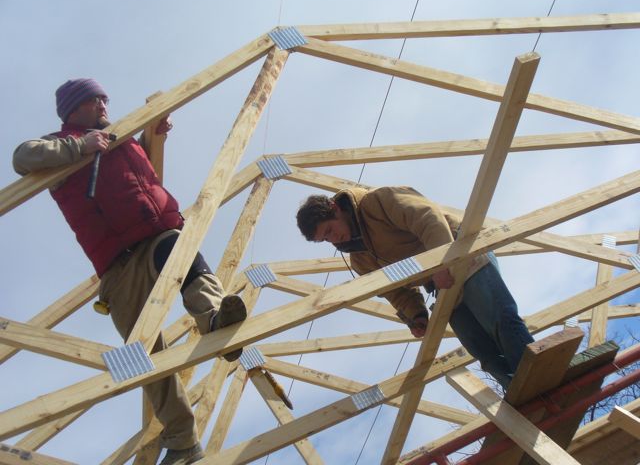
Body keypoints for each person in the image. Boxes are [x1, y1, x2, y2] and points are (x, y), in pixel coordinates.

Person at [13, 78, 247, 465]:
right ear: (75, 108)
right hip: (117, 265)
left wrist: (151, 135)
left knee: (182, 251)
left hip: (156, 236)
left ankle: (215, 319)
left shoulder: (122, 138)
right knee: (145, 354)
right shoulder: (64, 145)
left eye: (105, 97)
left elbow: (143, 181)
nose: (104, 104)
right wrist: (79, 147)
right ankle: (183, 441)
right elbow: (23, 157)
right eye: (95, 99)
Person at [296, 186, 534, 389]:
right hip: (439, 281)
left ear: (335, 207)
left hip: (461, 253)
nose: (334, 240)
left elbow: (427, 218)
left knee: (500, 320)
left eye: (329, 230)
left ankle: (537, 372)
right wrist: (416, 315)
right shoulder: (360, 259)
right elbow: (395, 290)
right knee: (481, 349)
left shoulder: (377, 202)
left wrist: (443, 261)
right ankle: (518, 390)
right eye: (325, 240)